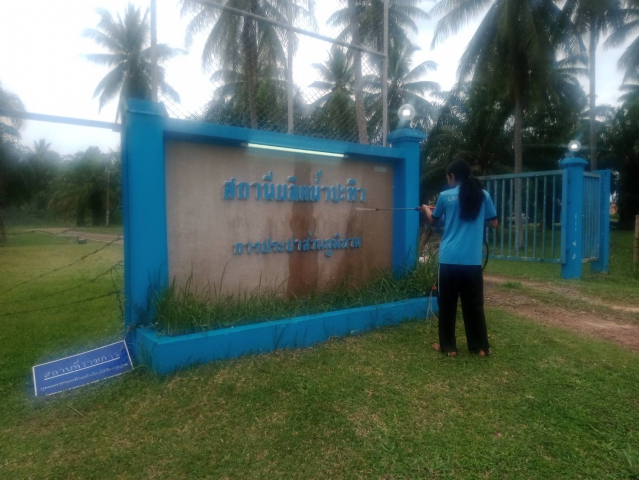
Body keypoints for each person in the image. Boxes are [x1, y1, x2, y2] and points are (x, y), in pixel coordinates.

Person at [422, 159, 498, 357]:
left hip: (449, 260)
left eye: (448, 177)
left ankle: (449, 348)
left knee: (447, 304)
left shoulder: (445, 196)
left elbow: (434, 221)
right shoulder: (483, 195)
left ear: (452, 176)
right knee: (474, 304)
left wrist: (426, 209)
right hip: (472, 261)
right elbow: (494, 223)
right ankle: (480, 347)